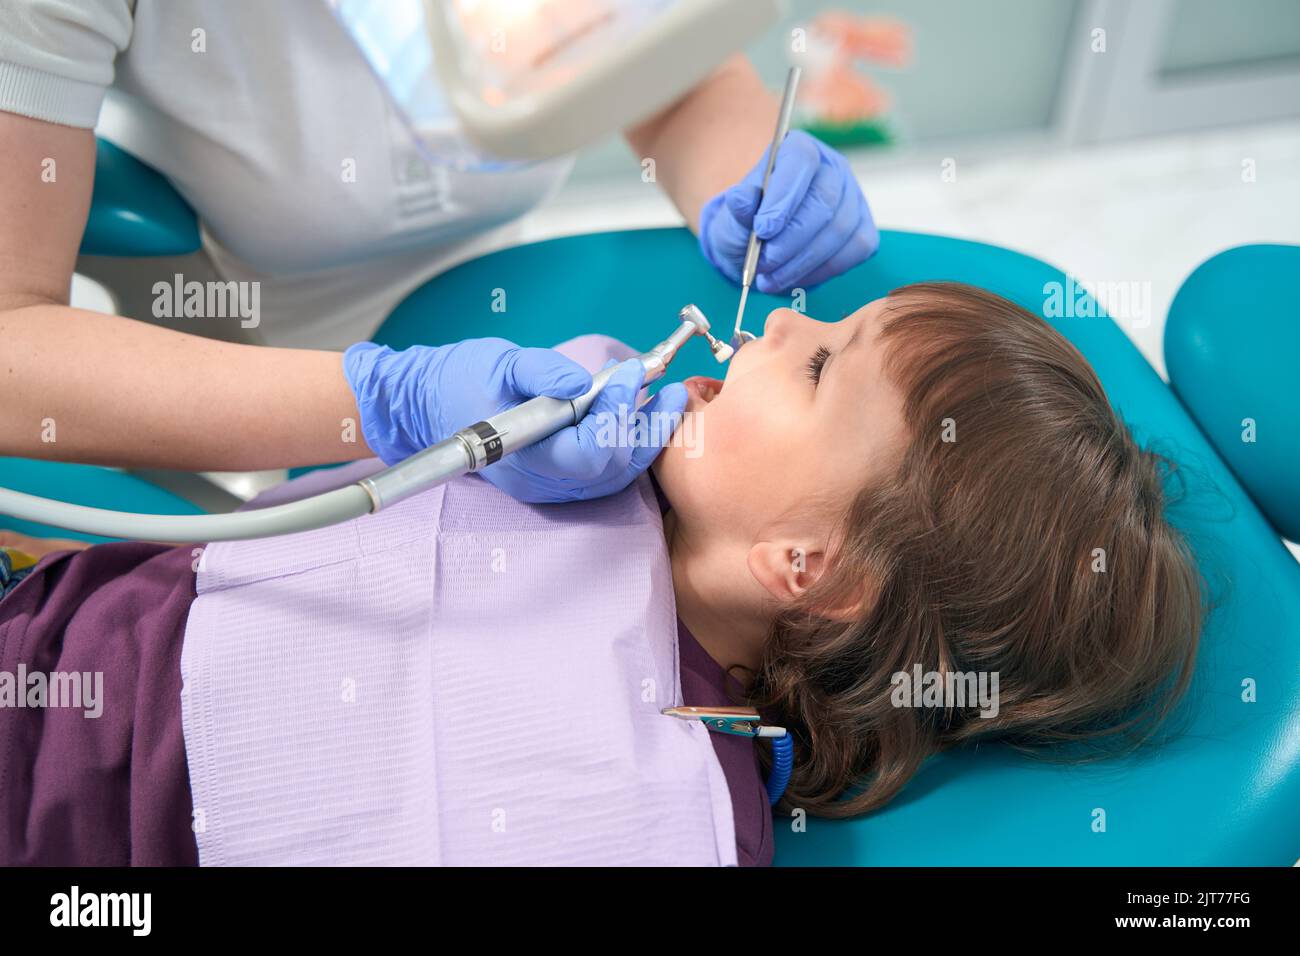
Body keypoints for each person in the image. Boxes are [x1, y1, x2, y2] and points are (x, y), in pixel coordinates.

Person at [0, 282, 1205, 864]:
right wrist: (397, 397)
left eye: (822, 366)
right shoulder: (560, 424)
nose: (778, 324)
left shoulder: (667, 813)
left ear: (809, 566)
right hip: (53, 625)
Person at [0, 0, 880, 504]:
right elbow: (14, 348)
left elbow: (667, 77)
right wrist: (394, 403)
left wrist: (743, 174)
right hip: (265, 372)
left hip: (500, 314)